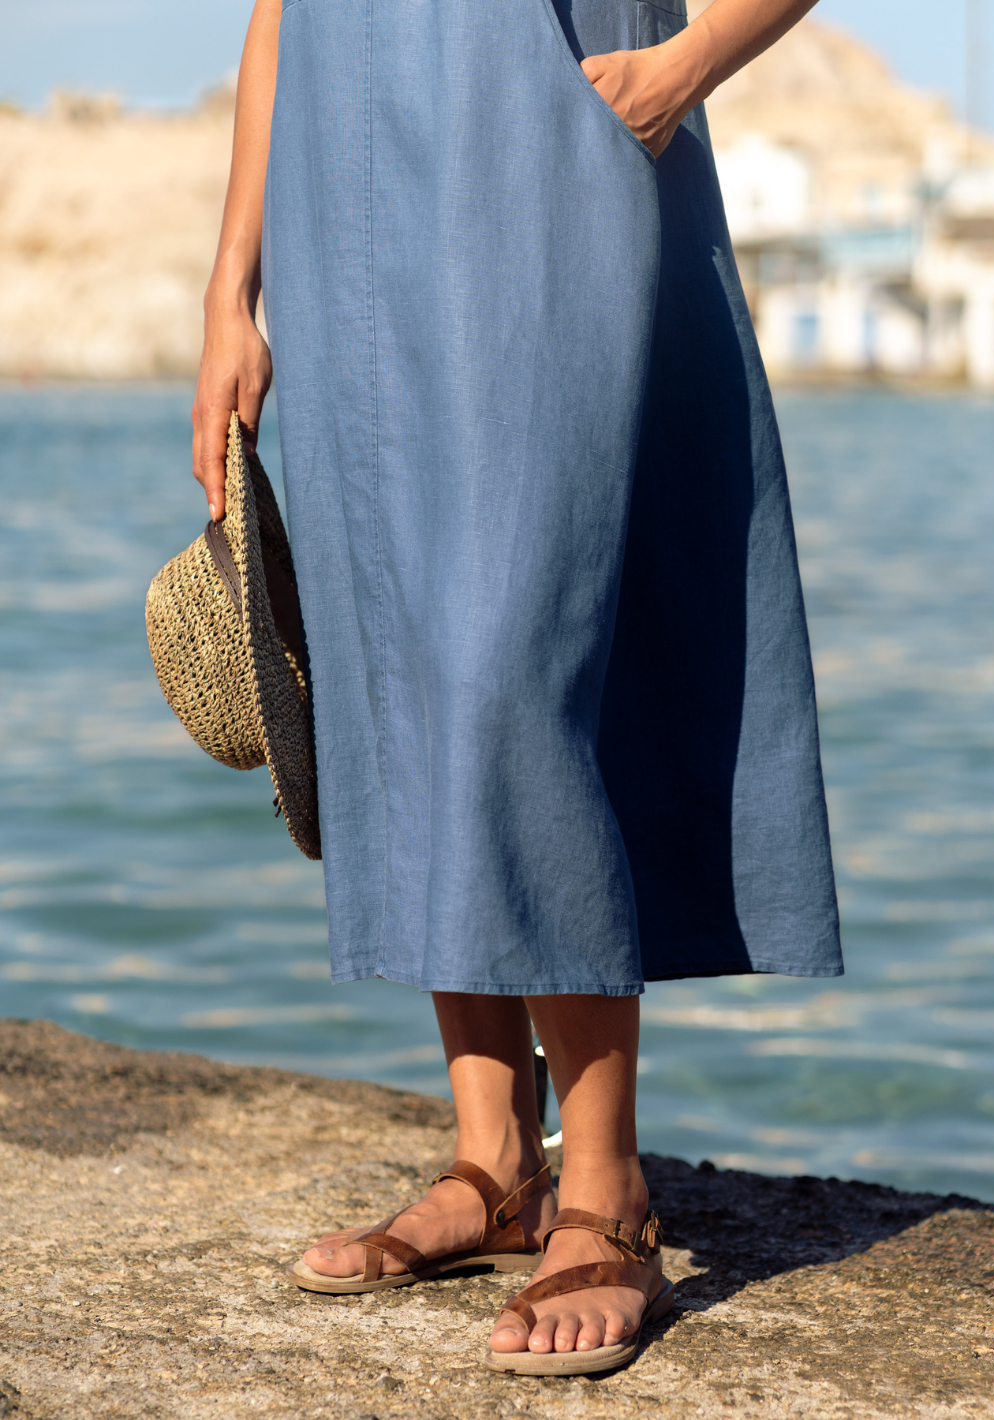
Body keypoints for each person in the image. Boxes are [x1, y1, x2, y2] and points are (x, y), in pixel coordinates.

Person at [192, 0, 841, 1373]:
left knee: (510, 664)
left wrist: (686, 63)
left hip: (549, 154)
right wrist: (228, 290)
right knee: (406, 668)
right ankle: (494, 1167)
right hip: (342, 187)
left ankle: (606, 1189)